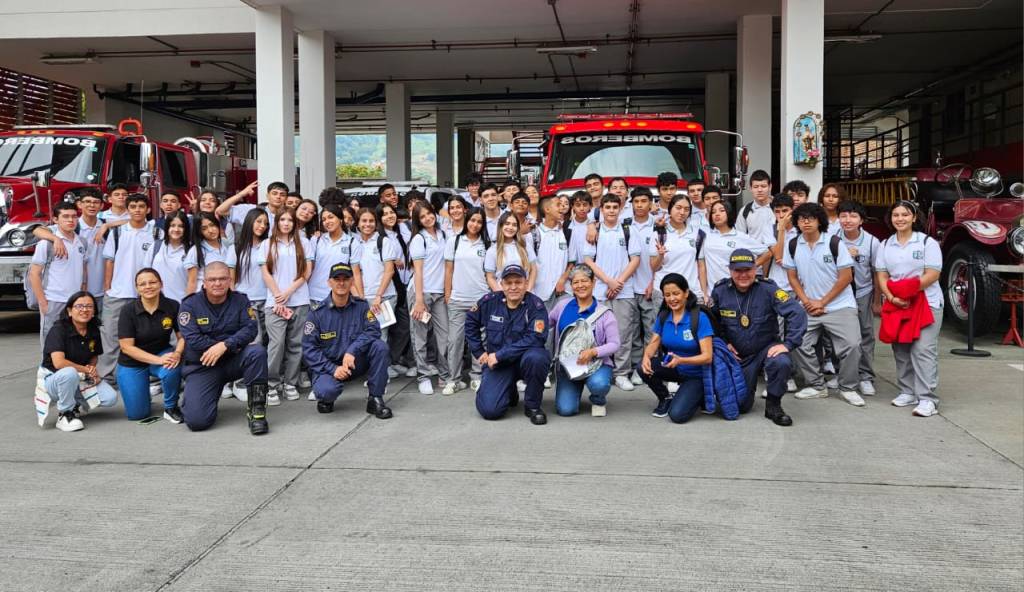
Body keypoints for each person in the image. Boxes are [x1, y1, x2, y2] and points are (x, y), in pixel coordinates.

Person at [711, 249, 807, 426]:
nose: (743, 275)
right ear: (730, 271)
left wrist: (788, 344)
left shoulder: (769, 289)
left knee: (781, 362)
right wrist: (725, 343)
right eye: (737, 270)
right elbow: (713, 322)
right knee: (740, 407)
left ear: (755, 269)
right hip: (738, 355)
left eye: (747, 269)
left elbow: (797, 312)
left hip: (765, 349)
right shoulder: (720, 291)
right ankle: (746, 392)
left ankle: (773, 406)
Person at [784, 203, 864, 406]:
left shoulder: (834, 243)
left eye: (810, 218)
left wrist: (823, 301)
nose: (806, 222)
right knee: (798, 342)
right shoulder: (793, 244)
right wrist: (805, 301)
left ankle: (848, 387)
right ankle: (817, 385)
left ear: (820, 220)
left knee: (852, 345)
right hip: (808, 306)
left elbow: (846, 277)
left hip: (839, 305)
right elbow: (792, 277)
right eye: (802, 219)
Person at [177, 262, 270, 434]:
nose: (217, 283)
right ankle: (198, 399)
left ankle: (257, 412)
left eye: (222, 279)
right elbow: (193, 339)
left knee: (256, 352)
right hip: (203, 367)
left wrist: (225, 345)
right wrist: (226, 345)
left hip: (233, 361)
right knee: (197, 422)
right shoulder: (189, 305)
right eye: (212, 279)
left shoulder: (241, 300)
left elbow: (250, 329)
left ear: (229, 280)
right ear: (204, 282)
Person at [875, 200, 944, 417]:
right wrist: (891, 297)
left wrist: (906, 292)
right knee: (901, 349)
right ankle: (907, 391)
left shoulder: (926, 243)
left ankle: (927, 398)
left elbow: (932, 274)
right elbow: (882, 275)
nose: (900, 219)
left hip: (926, 302)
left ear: (914, 217)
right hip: (896, 303)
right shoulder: (885, 245)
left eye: (905, 214)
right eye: (896, 215)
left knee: (923, 349)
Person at [302, 263, 393, 419]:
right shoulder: (317, 314)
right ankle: (326, 398)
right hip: (328, 367)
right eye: (337, 279)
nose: (341, 283)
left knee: (380, 347)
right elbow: (309, 350)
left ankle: (375, 398)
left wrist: (352, 351)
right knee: (326, 391)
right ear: (329, 282)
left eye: (346, 279)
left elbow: (374, 330)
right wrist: (333, 369)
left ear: (352, 282)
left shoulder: (362, 307)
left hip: (354, 363)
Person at [465, 264, 550, 425]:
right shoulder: (489, 302)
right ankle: (509, 392)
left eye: (518, 282)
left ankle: (532, 406)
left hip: (524, 361)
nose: (513, 287)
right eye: (508, 283)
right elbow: (470, 322)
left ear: (526, 283)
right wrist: (479, 352)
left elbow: (536, 338)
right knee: (490, 411)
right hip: (500, 365)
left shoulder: (536, 306)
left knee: (538, 357)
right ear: (501, 285)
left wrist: (500, 355)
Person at [98, 193, 163, 382]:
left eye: (141, 206)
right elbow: (109, 261)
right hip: (118, 292)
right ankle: (107, 377)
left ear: (148, 210)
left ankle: (148, 374)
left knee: (147, 335)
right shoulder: (117, 232)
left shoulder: (156, 232)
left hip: (146, 293)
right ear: (127, 210)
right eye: (133, 206)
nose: (137, 210)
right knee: (110, 335)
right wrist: (108, 287)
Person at [582, 194, 641, 392]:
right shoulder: (594, 231)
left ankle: (621, 373)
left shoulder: (628, 230)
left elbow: (635, 259)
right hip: (599, 291)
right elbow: (589, 260)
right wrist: (608, 281)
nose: (611, 210)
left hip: (624, 291)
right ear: (602, 209)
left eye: (615, 207)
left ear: (620, 208)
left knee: (624, 334)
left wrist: (619, 283)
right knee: (598, 334)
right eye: (607, 207)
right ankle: (601, 370)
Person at [637, 274, 713, 423]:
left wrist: (682, 360)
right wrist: (646, 357)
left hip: (696, 374)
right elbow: (653, 343)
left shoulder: (699, 317)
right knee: (642, 367)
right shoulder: (664, 316)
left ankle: (699, 395)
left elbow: (708, 356)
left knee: (677, 415)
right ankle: (665, 397)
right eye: (667, 295)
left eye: (676, 293)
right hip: (674, 368)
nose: (672, 299)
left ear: (686, 293)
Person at [37, 291, 118, 432]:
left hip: (79, 376)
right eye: (79, 306)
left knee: (110, 398)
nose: (84, 310)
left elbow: (94, 356)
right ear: (69, 311)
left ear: (94, 310)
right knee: (69, 372)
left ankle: (74, 405)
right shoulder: (58, 330)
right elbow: (59, 363)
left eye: (89, 306)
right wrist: (87, 370)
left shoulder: (93, 329)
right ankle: (64, 413)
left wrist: (92, 371)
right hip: (54, 379)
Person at [548, 265, 619, 417]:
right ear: (571, 286)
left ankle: (598, 399)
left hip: (596, 364)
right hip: (569, 367)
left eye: (584, 281)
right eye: (575, 282)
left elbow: (615, 344)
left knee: (599, 384)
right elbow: (545, 323)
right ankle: (575, 387)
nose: (580, 285)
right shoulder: (562, 306)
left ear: (593, 282)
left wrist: (593, 352)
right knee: (566, 410)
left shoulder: (604, 313)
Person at [116, 268, 185, 422]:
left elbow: (183, 336)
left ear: (161, 284)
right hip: (132, 362)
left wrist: (177, 353)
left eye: (153, 282)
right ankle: (141, 393)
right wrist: (159, 360)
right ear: (137, 288)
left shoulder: (172, 305)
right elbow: (127, 347)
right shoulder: (128, 311)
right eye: (142, 284)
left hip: (161, 352)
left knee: (172, 365)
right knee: (137, 415)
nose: (148, 286)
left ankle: (170, 407)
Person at [259, 209, 313, 404]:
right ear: (276, 222)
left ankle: (290, 383)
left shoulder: (304, 243)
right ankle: (272, 384)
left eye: (290, 220)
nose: (286, 223)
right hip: (274, 303)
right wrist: (278, 296)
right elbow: (265, 273)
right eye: (282, 219)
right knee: (276, 344)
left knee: (296, 344)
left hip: (299, 300)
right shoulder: (267, 244)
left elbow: (306, 273)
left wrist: (288, 292)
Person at [29, 200, 87, 349]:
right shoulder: (47, 244)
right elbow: (34, 274)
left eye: (74, 217)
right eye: (65, 217)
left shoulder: (82, 242)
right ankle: (48, 371)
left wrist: (83, 294)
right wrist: (43, 302)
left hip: (75, 302)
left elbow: (83, 269)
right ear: (55, 220)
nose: (70, 220)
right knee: (51, 342)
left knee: (73, 342)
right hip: (54, 300)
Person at [444, 208, 490, 394]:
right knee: (455, 341)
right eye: (472, 220)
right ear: (466, 220)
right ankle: (453, 379)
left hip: (480, 299)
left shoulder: (486, 244)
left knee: (479, 341)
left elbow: (489, 274)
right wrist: (448, 295)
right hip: (458, 299)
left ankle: (476, 376)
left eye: (479, 222)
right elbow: (448, 270)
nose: (475, 225)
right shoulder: (454, 241)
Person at [838, 200, 881, 396]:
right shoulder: (831, 239)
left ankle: (865, 376)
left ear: (861, 220)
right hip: (838, 294)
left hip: (863, 292)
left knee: (865, 335)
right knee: (839, 336)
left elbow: (877, 273)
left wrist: (877, 301)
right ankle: (842, 375)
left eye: (853, 216)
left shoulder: (872, 242)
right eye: (844, 216)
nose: (848, 220)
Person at [408, 201, 451, 395]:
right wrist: (418, 300)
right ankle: (423, 376)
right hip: (421, 292)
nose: (427, 218)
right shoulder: (419, 239)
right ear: (417, 220)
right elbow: (418, 271)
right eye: (422, 216)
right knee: (420, 337)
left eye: (429, 213)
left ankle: (444, 374)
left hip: (440, 293)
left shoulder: (443, 234)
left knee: (444, 336)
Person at [698, 200, 770, 299]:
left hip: (736, 289)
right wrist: (704, 293)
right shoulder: (706, 236)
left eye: (721, 210)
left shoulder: (740, 236)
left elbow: (767, 253)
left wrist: (751, 267)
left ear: (729, 213)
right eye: (713, 212)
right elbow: (702, 265)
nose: (717, 214)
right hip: (713, 292)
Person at [378, 203, 416, 378]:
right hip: (388, 289)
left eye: (391, 212)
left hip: (403, 287)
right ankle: (382, 367)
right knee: (384, 330)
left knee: (404, 327)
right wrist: (392, 261)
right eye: (384, 214)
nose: (389, 216)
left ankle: (392, 360)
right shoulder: (379, 237)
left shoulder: (400, 231)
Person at [626, 187, 657, 385]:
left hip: (649, 287)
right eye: (636, 202)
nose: (639, 205)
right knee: (632, 331)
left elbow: (663, 258)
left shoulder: (659, 225)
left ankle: (649, 366)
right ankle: (637, 367)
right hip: (628, 288)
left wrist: (653, 281)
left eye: (643, 201)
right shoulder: (624, 225)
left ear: (650, 203)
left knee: (651, 331)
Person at [651, 194, 703, 306]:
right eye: (678, 208)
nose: (682, 212)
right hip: (665, 293)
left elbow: (701, 264)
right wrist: (660, 255)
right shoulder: (659, 233)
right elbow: (654, 267)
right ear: (670, 209)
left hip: (691, 291)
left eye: (686, 209)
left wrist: (704, 293)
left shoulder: (697, 233)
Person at [309, 204, 363, 310]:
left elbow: (356, 274)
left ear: (340, 219)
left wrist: (360, 298)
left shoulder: (352, 242)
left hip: (339, 297)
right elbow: (310, 268)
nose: (327, 221)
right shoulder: (316, 240)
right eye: (324, 219)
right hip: (314, 296)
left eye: (330, 217)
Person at [185, 211, 236, 294]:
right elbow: (192, 282)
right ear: (199, 232)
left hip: (224, 296)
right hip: (202, 298)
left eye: (212, 225)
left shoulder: (227, 245)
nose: (210, 230)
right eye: (204, 228)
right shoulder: (195, 251)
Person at [485, 211, 537, 292]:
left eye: (514, 225)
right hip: (504, 298)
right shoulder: (492, 251)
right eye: (507, 223)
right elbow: (490, 277)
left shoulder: (525, 246)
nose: (510, 227)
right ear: (501, 226)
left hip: (525, 296)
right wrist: (502, 296)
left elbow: (533, 270)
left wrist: (528, 291)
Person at [151, 211, 191, 303]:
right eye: (172, 225)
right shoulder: (156, 246)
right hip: (156, 304)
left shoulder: (191, 250)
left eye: (180, 226)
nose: (176, 229)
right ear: (167, 227)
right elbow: (146, 272)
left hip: (181, 304)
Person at [217, 180, 285, 230]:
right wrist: (242, 194)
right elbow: (220, 211)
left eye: (282, 194)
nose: (278, 197)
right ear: (267, 196)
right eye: (274, 193)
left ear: (286, 198)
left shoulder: (289, 216)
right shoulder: (252, 210)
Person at [735, 169, 776, 245]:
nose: (759, 190)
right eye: (756, 187)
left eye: (763, 186)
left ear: (770, 187)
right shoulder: (745, 211)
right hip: (754, 254)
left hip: (777, 254)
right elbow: (740, 238)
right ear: (751, 188)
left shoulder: (779, 208)